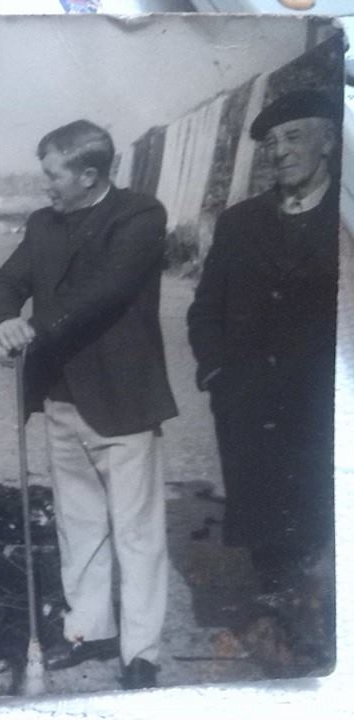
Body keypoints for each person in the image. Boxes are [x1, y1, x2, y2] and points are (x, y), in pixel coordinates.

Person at [0, 120, 177, 690]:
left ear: (89, 174)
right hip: (61, 398)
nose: (44, 185)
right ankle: (89, 629)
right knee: (78, 523)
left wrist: (30, 331)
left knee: (138, 531)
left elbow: (106, 291)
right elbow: (6, 280)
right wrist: (1, 322)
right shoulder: (43, 223)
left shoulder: (140, 216)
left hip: (123, 399)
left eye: (52, 174)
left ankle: (141, 651)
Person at [187, 89, 340, 599]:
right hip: (250, 405)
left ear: (329, 142)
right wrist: (216, 372)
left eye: (294, 137)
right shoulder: (239, 222)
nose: (280, 151)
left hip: (326, 410)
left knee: (327, 531)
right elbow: (206, 307)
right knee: (269, 547)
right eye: (271, 142)